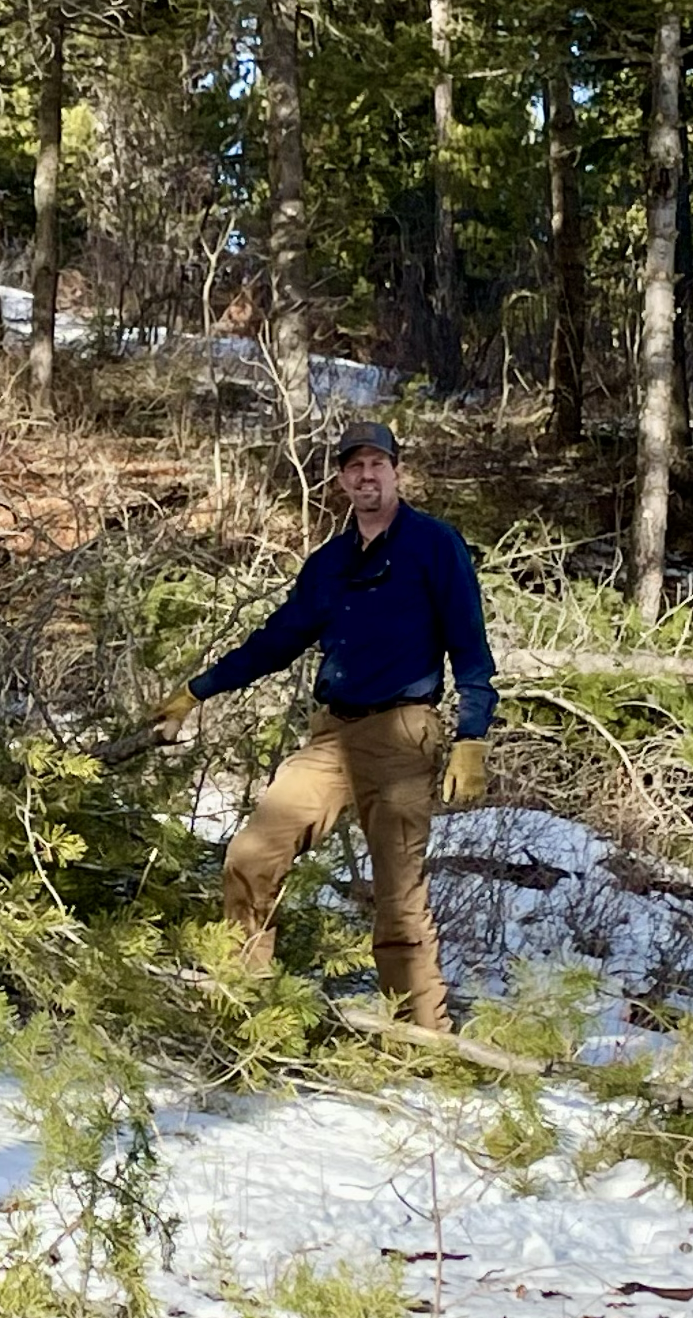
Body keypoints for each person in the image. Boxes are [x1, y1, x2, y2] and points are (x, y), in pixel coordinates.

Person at [152, 422, 496, 1030]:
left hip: (403, 734)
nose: (367, 476)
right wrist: (195, 691)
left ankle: (420, 1039)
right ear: (340, 479)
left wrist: (472, 735)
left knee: (398, 899)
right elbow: (276, 642)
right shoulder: (329, 564)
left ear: (396, 471)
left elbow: (470, 646)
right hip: (331, 736)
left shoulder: (436, 546)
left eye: (378, 464)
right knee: (250, 856)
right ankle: (244, 1008)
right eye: (354, 467)